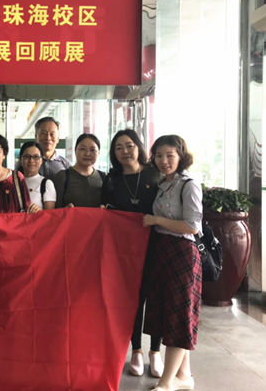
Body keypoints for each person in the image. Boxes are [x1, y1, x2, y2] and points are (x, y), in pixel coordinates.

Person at [142, 135, 203, 391]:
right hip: (163, 252)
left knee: (179, 317)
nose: (164, 160)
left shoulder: (189, 184)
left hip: (182, 254)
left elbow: (192, 226)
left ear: (181, 156)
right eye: (159, 155)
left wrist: (156, 220)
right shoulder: (163, 183)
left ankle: (166, 383)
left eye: (170, 155)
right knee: (171, 314)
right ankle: (184, 377)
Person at [100, 129, 163, 378]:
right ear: (113, 153)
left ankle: (155, 352)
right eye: (118, 148)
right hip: (125, 250)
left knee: (156, 298)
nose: (125, 151)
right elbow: (105, 211)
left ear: (139, 146)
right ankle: (136, 350)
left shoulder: (155, 174)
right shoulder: (111, 179)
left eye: (129, 145)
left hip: (157, 244)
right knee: (133, 299)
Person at [54, 133, 105, 208]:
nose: (87, 154)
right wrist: (65, 210)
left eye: (92, 150)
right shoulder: (62, 177)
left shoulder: (104, 177)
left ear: (98, 153)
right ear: (75, 151)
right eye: (82, 149)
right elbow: (54, 210)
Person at [19, 141, 56, 210]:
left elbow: (49, 214)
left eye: (36, 157)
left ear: (41, 160)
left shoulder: (46, 184)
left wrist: (39, 212)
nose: (31, 160)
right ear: (21, 159)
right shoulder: (13, 182)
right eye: (27, 156)